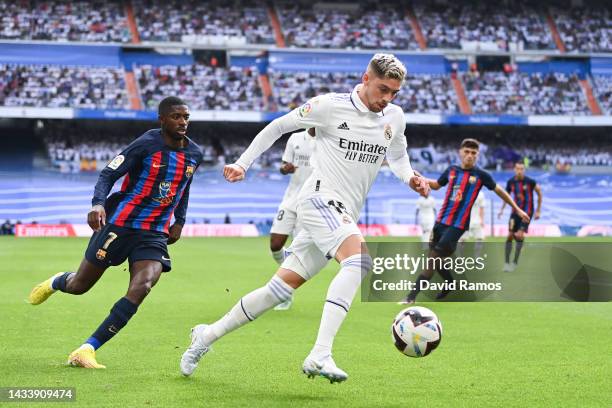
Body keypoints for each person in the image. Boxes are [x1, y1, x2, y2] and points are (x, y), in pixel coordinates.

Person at [180, 54, 429, 383]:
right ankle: (320, 353)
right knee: (359, 262)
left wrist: (410, 177)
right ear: (366, 78)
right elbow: (278, 126)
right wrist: (243, 163)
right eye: (383, 89)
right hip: (317, 199)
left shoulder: (394, 117)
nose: (387, 98)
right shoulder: (329, 106)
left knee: (278, 290)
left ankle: (205, 336)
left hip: (341, 212)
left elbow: (397, 157)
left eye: (394, 93)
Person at [28, 97, 203, 368]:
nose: (183, 122)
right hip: (121, 225)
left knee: (143, 286)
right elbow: (108, 174)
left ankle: (87, 349)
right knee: (79, 286)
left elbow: (184, 187)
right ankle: (57, 281)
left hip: (154, 232)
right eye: (176, 117)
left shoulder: (195, 153)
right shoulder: (146, 144)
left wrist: (179, 220)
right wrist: (98, 204)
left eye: (186, 117)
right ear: (162, 119)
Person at [401, 138, 530, 304]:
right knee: (437, 261)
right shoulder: (451, 170)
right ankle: (450, 282)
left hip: (458, 226)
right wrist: (423, 178)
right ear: (460, 153)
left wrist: (517, 209)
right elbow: (436, 185)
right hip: (440, 222)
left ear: (477, 156)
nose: (470, 155)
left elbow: (500, 191)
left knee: (433, 259)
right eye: (467, 152)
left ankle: (410, 297)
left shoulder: (481, 175)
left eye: (473, 153)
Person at [270, 127, 316, 311]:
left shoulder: (329, 139)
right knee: (275, 244)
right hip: (291, 198)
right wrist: (285, 169)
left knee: (297, 250)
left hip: (311, 202)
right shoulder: (296, 138)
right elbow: (283, 167)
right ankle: (287, 278)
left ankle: (285, 293)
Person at [498, 162, 542, 272]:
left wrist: (538, 211)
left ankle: (514, 262)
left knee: (519, 234)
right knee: (510, 236)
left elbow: (539, 193)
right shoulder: (511, 182)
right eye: (517, 168)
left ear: (524, 170)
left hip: (527, 213)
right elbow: (506, 197)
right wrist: (502, 210)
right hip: (515, 212)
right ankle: (507, 263)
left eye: (522, 169)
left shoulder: (530, 182)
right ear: (514, 169)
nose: (519, 171)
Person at [457, 191, 486, 257]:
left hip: (477, 221)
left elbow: (482, 208)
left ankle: (477, 257)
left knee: (480, 238)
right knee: (461, 240)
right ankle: (459, 257)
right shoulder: (465, 191)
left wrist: (482, 220)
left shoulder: (481, 194)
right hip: (465, 221)